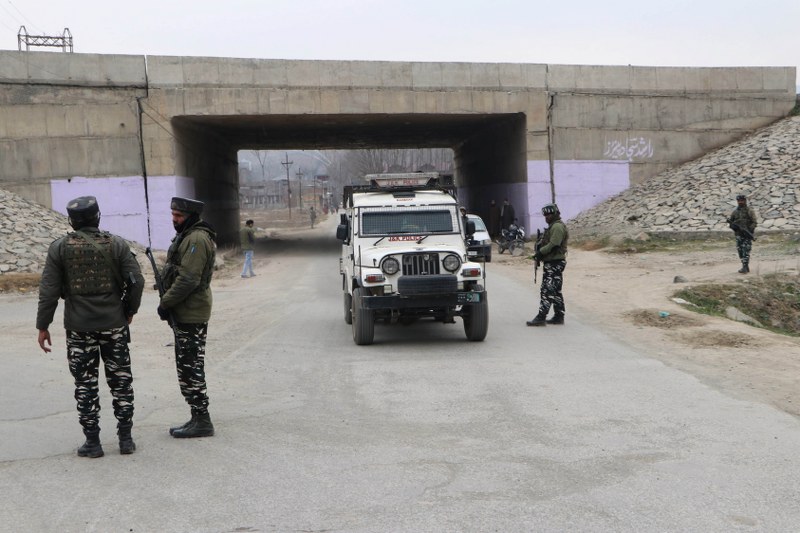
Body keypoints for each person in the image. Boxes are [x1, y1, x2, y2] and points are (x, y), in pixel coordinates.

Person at [36, 196, 144, 458]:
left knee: (85, 384)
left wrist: (43, 326)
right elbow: (137, 281)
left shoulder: (59, 248)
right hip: (114, 325)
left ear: (71, 221)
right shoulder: (117, 244)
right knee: (121, 382)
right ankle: (126, 439)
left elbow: (49, 292)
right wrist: (129, 311)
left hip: (79, 328)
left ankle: (93, 443)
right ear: (98, 217)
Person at [157, 197, 217, 438]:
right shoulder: (188, 236)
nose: (174, 220)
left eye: (179, 216)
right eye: (173, 215)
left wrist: (166, 302)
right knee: (186, 367)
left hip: (191, 312)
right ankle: (197, 416)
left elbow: (189, 279)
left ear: (191, 216)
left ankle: (202, 420)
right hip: (185, 311)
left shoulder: (197, 239)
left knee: (191, 368)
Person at [527, 203, 568, 327]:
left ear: (554, 214)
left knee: (547, 290)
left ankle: (541, 317)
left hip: (555, 263)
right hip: (552, 262)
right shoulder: (553, 226)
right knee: (556, 291)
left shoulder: (557, 227)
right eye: (545, 215)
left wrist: (540, 252)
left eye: (549, 215)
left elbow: (554, 244)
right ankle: (559, 316)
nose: (546, 217)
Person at [726, 194, 757, 273]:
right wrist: (734, 227)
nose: (740, 202)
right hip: (738, 235)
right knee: (740, 251)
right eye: (739, 201)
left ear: (745, 201)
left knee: (746, 250)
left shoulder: (749, 211)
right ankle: (744, 265)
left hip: (746, 234)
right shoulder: (735, 212)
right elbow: (731, 222)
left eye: (742, 200)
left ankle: (745, 267)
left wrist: (749, 230)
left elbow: (754, 222)